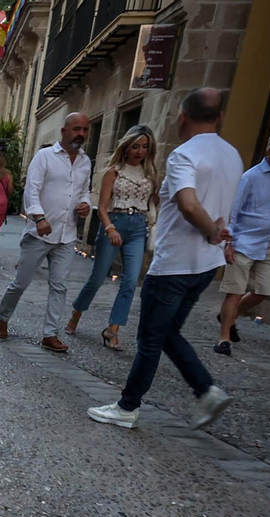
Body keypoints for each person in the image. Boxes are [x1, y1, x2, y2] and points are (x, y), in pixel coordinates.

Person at [88, 88, 239, 430]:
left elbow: (188, 203)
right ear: (219, 117)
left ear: (182, 118)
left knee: (150, 338)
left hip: (175, 264)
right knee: (167, 332)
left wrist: (211, 231)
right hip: (206, 266)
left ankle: (128, 407)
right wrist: (220, 237)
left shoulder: (185, 154)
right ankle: (206, 390)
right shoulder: (232, 155)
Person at [0, 113, 91, 352]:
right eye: (76, 129)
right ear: (64, 131)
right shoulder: (44, 157)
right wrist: (39, 218)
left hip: (66, 235)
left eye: (85, 130)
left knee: (59, 286)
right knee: (21, 283)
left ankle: (50, 334)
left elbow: (84, 191)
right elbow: (32, 190)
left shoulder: (85, 161)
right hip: (39, 233)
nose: (81, 134)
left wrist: (86, 204)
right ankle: (2, 317)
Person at [66, 125, 161, 352]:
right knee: (97, 278)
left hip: (138, 226)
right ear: (126, 147)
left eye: (144, 147)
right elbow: (102, 207)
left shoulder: (150, 174)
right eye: (135, 146)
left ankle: (113, 329)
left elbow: (152, 202)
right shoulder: (114, 172)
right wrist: (110, 229)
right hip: (114, 222)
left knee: (130, 281)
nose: (139, 151)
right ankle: (76, 313)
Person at [214, 125, 270, 355]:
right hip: (244, 240)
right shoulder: (250, 177)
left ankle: (228, 316)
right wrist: (229, 243)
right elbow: (233, 210)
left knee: (265, 290)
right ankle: (224, 339)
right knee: (235, 290)